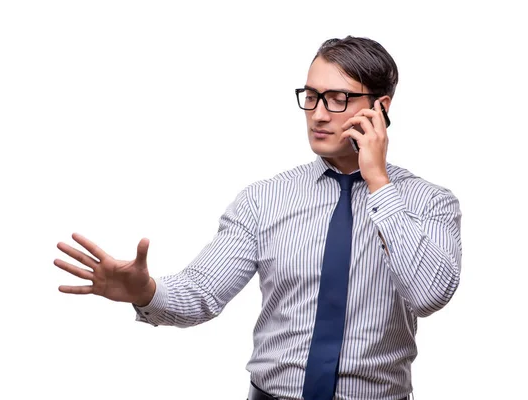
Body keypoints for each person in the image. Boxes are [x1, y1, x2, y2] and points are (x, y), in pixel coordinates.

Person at [54, 36, 462, 400]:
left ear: (380, 108)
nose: (318, 114)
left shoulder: (431, 203)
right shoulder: (264, 199)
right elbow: (201, 292)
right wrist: (146, 291)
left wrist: (378, 181)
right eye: (311, 95)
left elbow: (429, 295)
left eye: (337, 99)